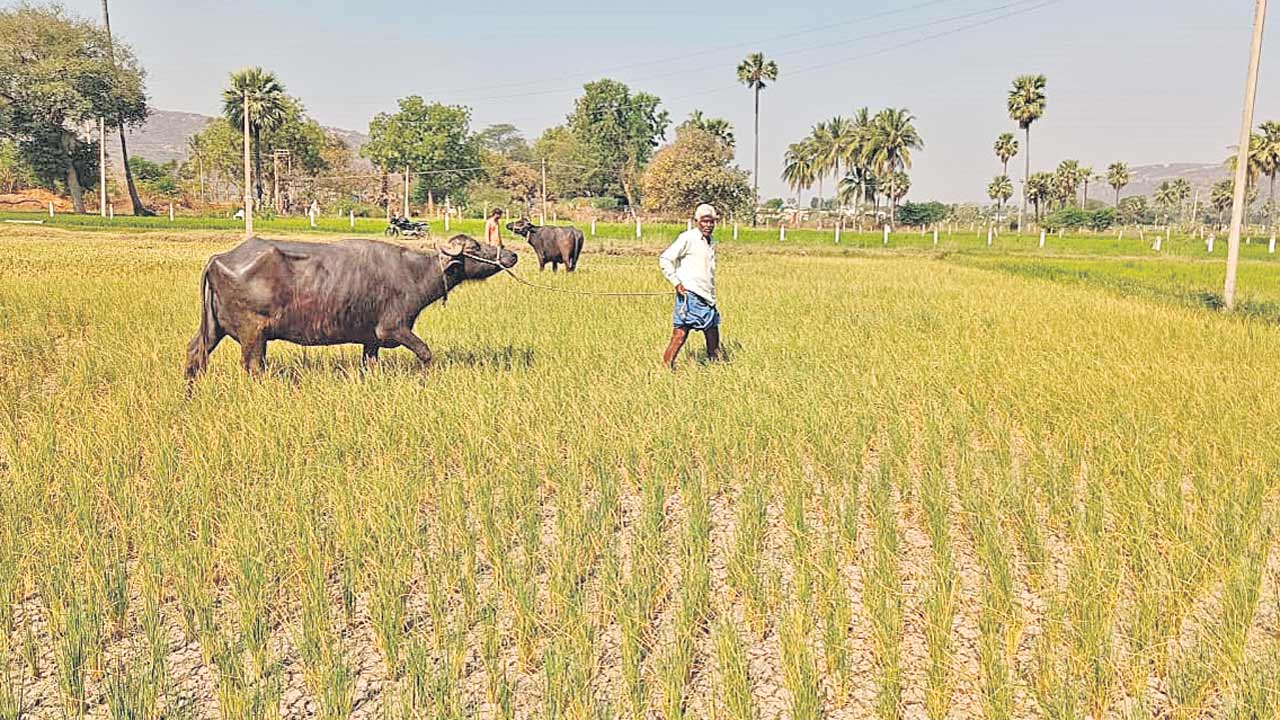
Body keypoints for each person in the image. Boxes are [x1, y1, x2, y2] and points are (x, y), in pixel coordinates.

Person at [659, 203, 721, 369]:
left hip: (707, 296)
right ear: (697, 221)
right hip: (690, 294)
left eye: (711, 222)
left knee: (711, 331)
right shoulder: (688, 238)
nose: (708, 225)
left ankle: (715, 367)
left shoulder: (711, 241)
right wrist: (676, 282)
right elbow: (665, 259)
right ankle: (665, 368)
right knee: (681, 334)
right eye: (704, 221)